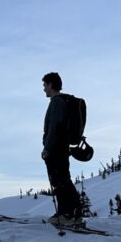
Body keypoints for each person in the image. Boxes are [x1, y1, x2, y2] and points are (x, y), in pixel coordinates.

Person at [42, 72, 83, 226]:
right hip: (62, 146)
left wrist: (47, 148)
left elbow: (54, 127)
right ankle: (75, 213)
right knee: (64, 179)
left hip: (56, 148)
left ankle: (65, 214)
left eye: (45, 85)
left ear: (51, 84)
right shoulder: (64, 101)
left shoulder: (57, 102)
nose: (44, 89)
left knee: (59, 180)